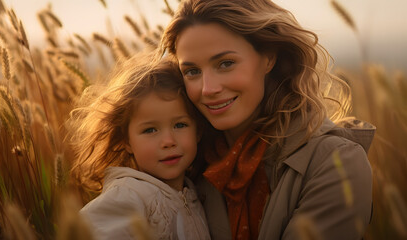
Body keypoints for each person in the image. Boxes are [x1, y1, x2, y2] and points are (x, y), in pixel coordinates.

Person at [159, 0, 375, 239]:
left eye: (226, 64)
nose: (207, 89)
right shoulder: (183, 159)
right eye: (192, 71)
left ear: (269, 58)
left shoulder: (335, 163)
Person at [67, 51, 211, 240]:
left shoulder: (196, 192)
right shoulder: (128, 195)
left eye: (180, 125)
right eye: (150, 130)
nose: (168, 141)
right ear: (127, 141)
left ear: (198, 131)